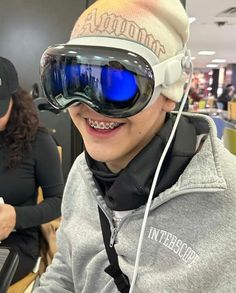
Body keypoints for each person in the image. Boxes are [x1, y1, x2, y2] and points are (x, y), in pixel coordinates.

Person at [35, 0, 236, 292]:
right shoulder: (82, 172)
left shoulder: (229, 200)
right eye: (73, 80)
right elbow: (67, 269)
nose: (89, 107)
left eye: (117, 83)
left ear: (171, 91)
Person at [0, 56, 64, 284]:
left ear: (14, 100)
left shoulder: (38, 141)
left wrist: (16, 217)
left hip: (16, 242)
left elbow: (58, 201)